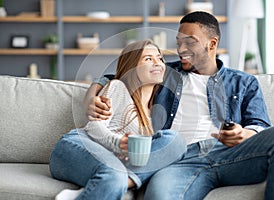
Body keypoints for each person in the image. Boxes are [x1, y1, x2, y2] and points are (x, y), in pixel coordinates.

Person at [85, 12, 274, 200]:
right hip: (178, 159)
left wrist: (245, 133)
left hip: (232, 155)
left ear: (212, 44)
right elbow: (122, 74)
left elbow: (259, 124)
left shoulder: (244, 82)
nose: (181, 49)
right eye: (179, 42)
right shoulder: (165, 73)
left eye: (190, 42)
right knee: (160, 195)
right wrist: (92, 93)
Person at [49, 39, 186, 200]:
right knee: (115, 174)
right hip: (78, 146)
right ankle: (107, 184)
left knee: (175, 141)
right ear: (132, 67)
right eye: (148, 59)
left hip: (113, 167)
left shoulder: (154, 117)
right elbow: (94, 127)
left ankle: (101, 187)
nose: (158, 63)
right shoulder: (118, 88)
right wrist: (118, 142)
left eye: (160, 58)